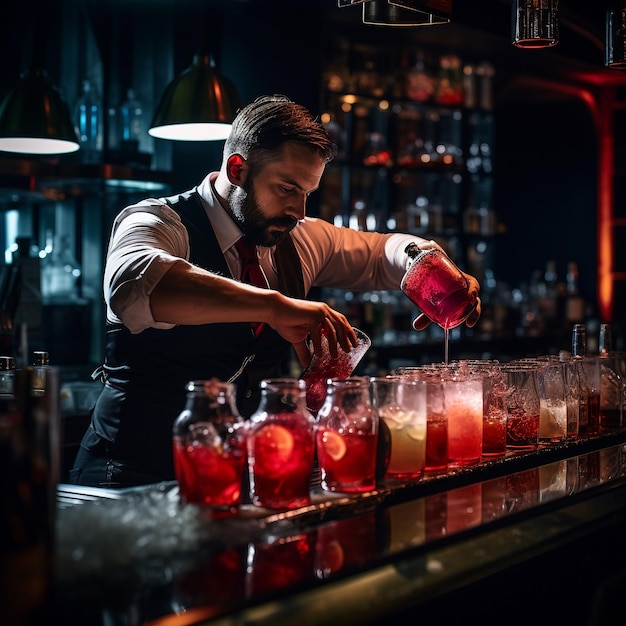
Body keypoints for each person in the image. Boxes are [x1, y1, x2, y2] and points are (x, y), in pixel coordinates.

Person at [69, 94, 481, 488]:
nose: (299, 211)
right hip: (127, 472)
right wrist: (275, 308)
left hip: (230, 477)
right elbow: (136, 287)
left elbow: (382, 253)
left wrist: (431, 268)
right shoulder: (157, 222)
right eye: (287, 189)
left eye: (307, 193)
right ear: (237, 169)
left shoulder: (296, 239)